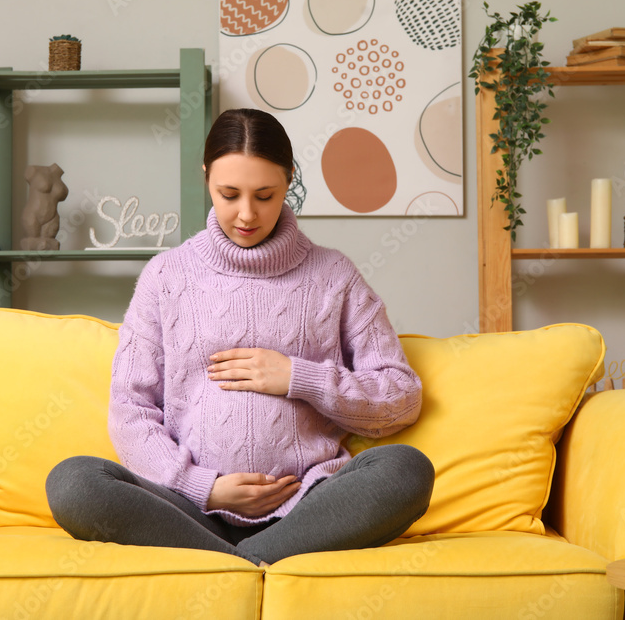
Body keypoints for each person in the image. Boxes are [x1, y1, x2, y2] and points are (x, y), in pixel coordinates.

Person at [46, 108, 434, 566]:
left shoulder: (334, 277)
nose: (246, 214)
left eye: (265, 196)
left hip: (309, 506)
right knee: (73, 482)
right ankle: (254, 562)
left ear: (289, 181)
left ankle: (229, 564)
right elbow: (130, 410)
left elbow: (401, 397)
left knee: (407, 470)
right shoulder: (167, 276)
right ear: (206, 177)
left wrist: (298, 376)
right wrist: (203, 487)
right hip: (189, 510)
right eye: (228, 194)